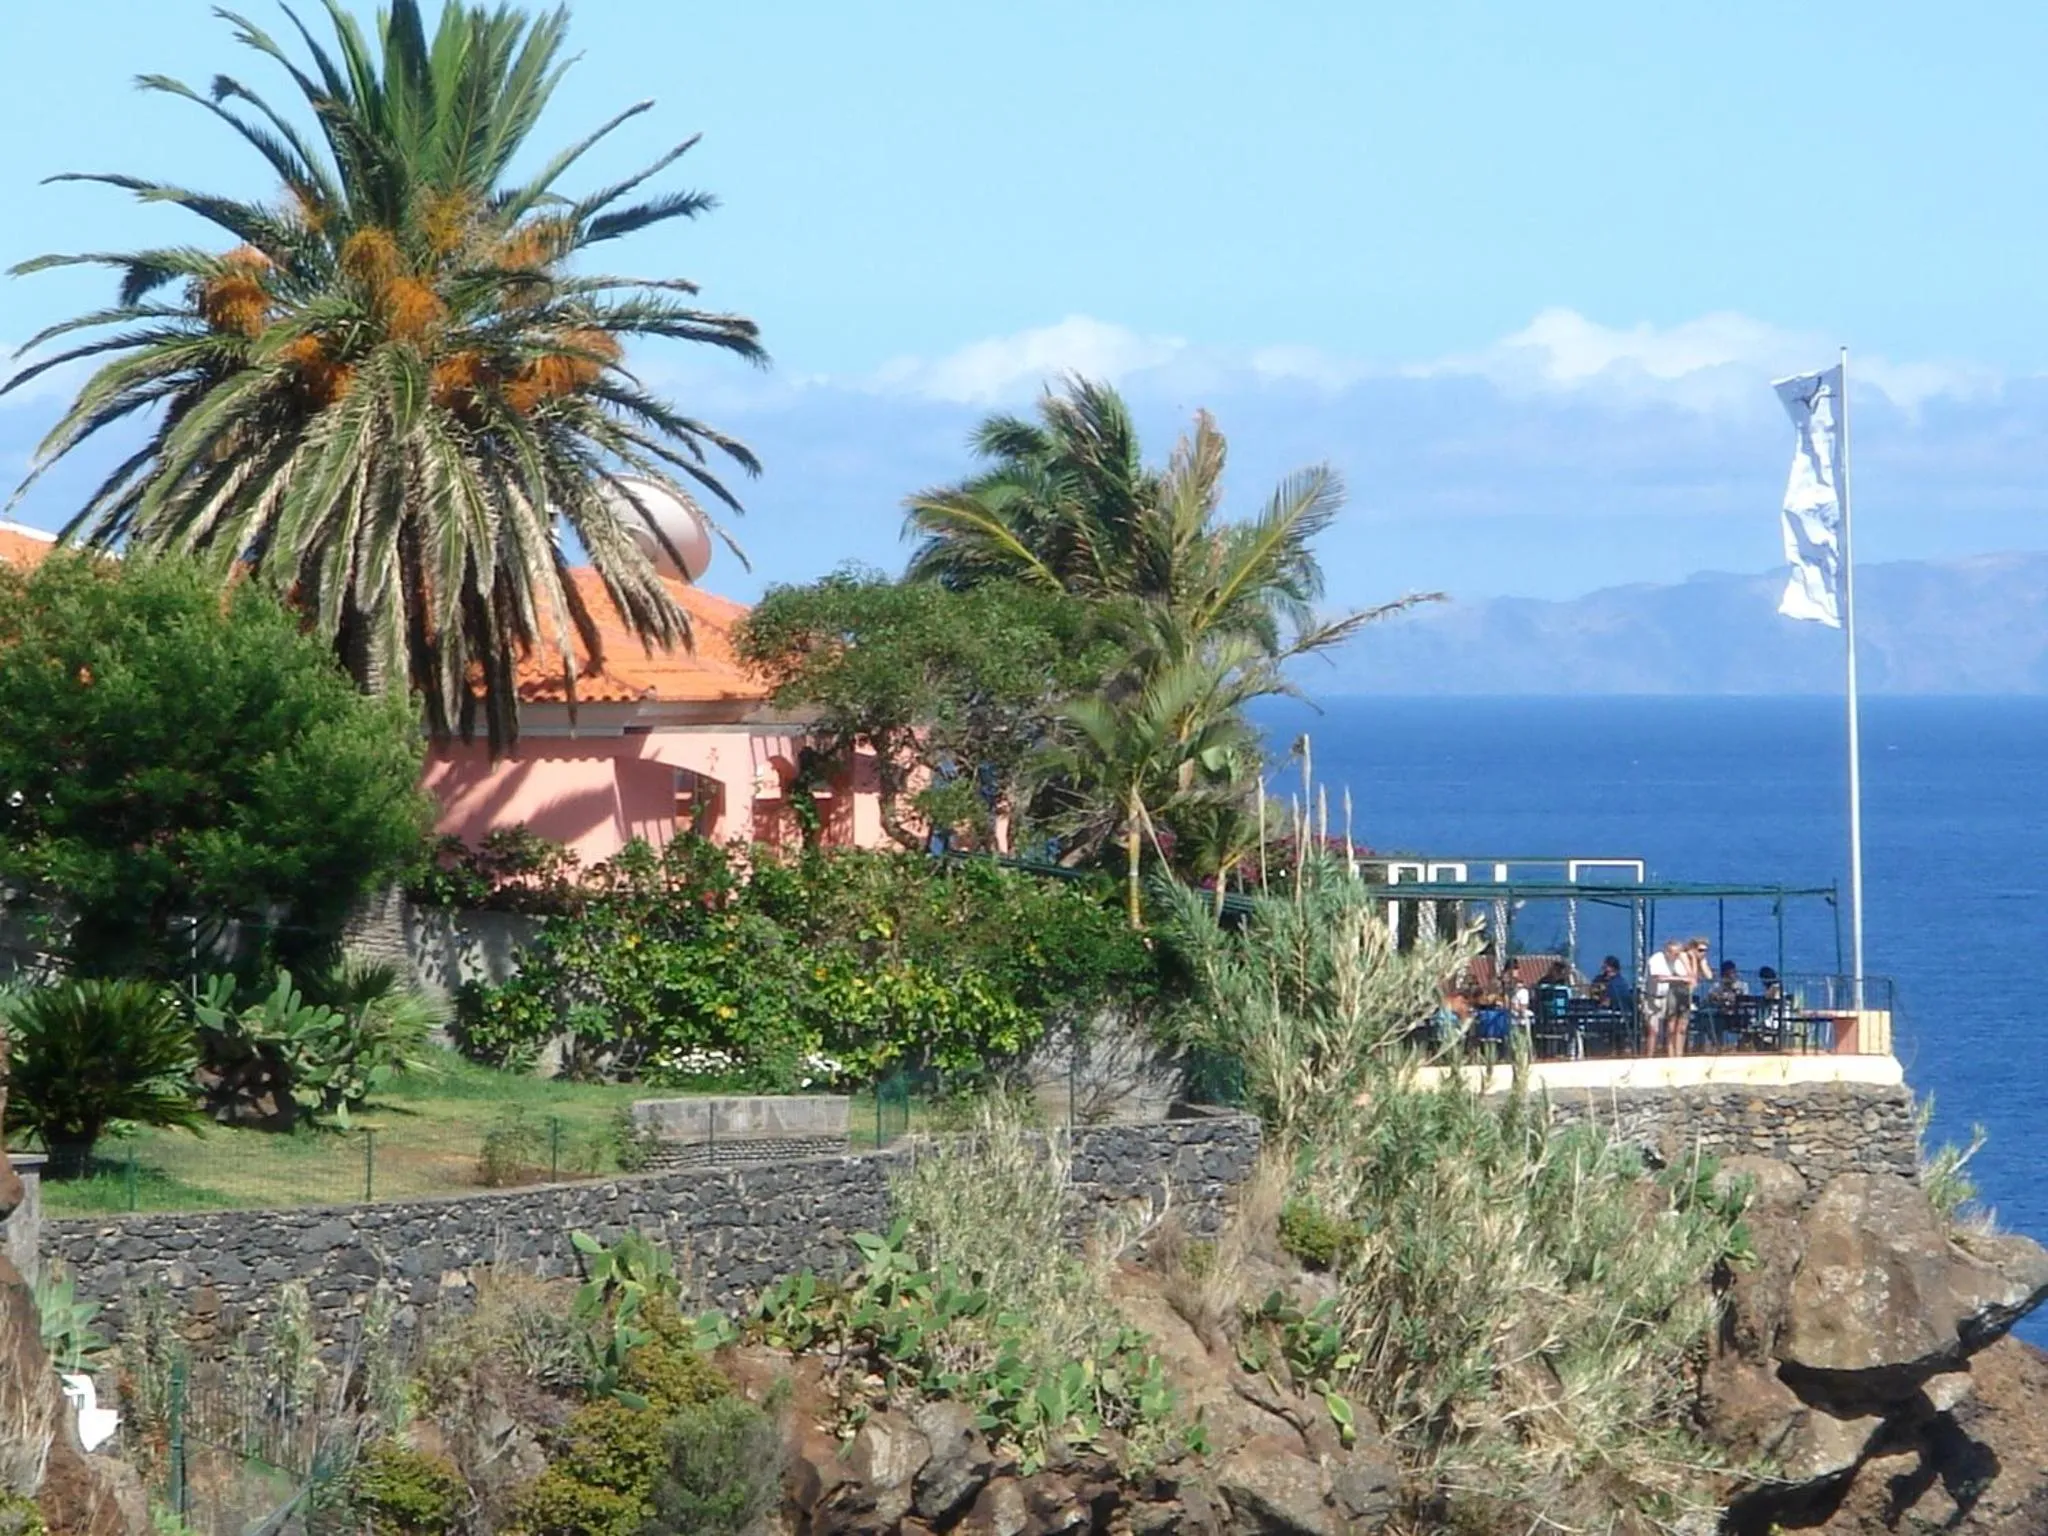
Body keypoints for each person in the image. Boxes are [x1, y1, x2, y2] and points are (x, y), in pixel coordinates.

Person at [1645, 939, 1689, 1057]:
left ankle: (1671, 1055)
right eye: (1675, 954)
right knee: (1654, 1030)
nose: (1677, 956)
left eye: (1679, 954)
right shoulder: (1656, 959)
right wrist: (1679, 979)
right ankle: (1649, 1057)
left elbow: (1687, 976)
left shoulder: (1678, 961)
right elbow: (1658, 977)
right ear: (1667, 952)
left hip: (1669, 997)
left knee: (1671, 1028)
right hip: (1653, 998)